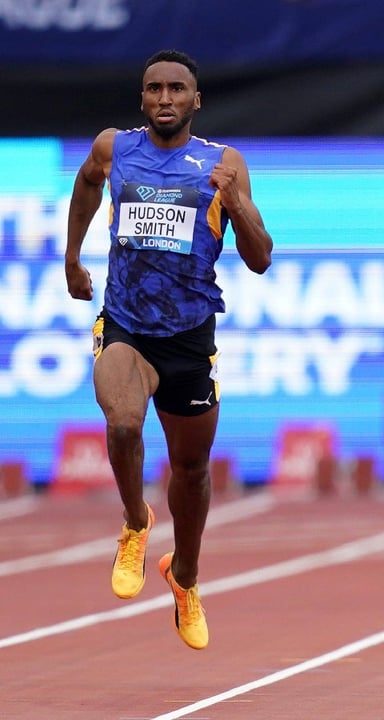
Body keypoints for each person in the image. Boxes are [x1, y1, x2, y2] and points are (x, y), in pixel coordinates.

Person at [64, 49, 274, 650]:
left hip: (189, 337)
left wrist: (236, 202)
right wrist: (73, 257)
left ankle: (184, 575)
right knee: (123, 422)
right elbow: (87, 183)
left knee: (191, 470)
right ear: (142, 97)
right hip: (126, 325)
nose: (164, 98)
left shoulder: (223, 162)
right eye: (154, 88)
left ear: (195, 100)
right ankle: (135, 521)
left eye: (176, 89)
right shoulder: (114, 148)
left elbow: (260, 258)